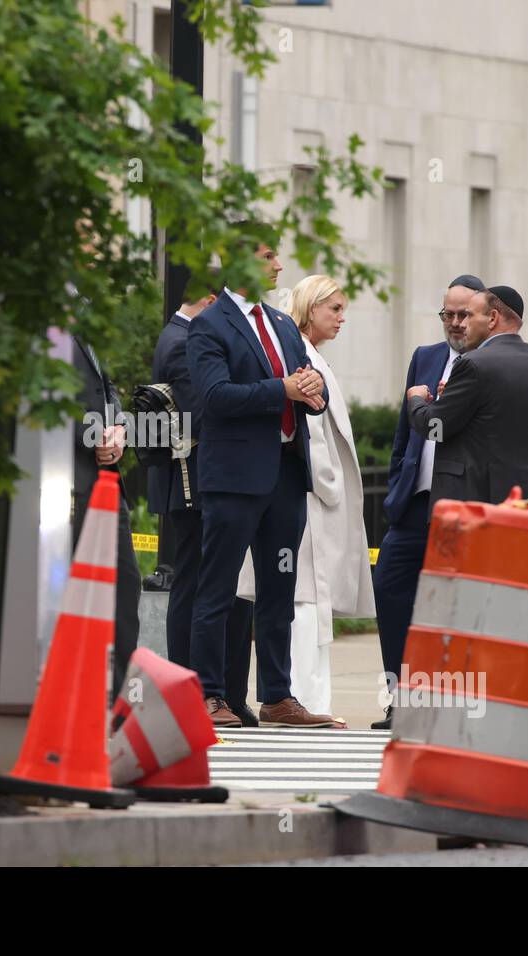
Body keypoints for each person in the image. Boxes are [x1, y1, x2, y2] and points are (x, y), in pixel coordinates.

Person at [186, 222, 345, 729]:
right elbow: (214, 398)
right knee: (216, 589)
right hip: (234, 478)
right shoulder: (209, 325)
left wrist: (313, 387)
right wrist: (284, 390)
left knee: (279, 589)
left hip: (284, 474)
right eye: (269, 255)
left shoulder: (280, 324)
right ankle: (209, 694)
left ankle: (278, 695)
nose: (279, 266)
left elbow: (305, 393)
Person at [236, 275, 375, 718]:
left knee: (309, 604)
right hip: (308, 497)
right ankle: (302, 700)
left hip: (311, 496)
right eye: (333, 308)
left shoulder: (309, 353)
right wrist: (327, 484)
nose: (341, 317)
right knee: (301, 601)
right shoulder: (299, 353)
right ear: (310, 308)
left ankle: (308, 700)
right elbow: (308, 432)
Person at [371, 273, 484, 729]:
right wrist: (400, 476)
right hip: (414, 505)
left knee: (457, 606)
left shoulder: (490, 363)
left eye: (463, 315)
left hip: (461, 508)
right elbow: (406, 430)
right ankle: (401, 700)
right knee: (389, 590)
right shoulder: (426, 358)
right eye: (447, 314)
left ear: (483, 316)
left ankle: (451, 704)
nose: (454, 323)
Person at [147, 290, 260, 725]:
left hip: (196, 478)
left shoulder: (178, 335)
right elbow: (202, 411)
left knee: (200, 580)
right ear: (212, 299)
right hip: (192, 480)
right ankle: (191, 687)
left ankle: (216, 691)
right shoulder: (182, 340)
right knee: (193, 581)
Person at [405, 284, 528, 514]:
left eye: (469, 315)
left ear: (492, 318)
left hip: (482, 510)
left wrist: (416, 399)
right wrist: (460, 397)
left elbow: (434, 428)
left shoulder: (474, 364)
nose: (462, 324)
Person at [71, 333, 141, 702]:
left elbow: (107, 387)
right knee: (66, 594)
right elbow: (39, 397)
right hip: (67, 481)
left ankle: (117, 704)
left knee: (125, 587)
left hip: (105, 482)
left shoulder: (86, 313)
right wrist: (91, 435)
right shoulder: (38, 311)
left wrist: (118, 429)